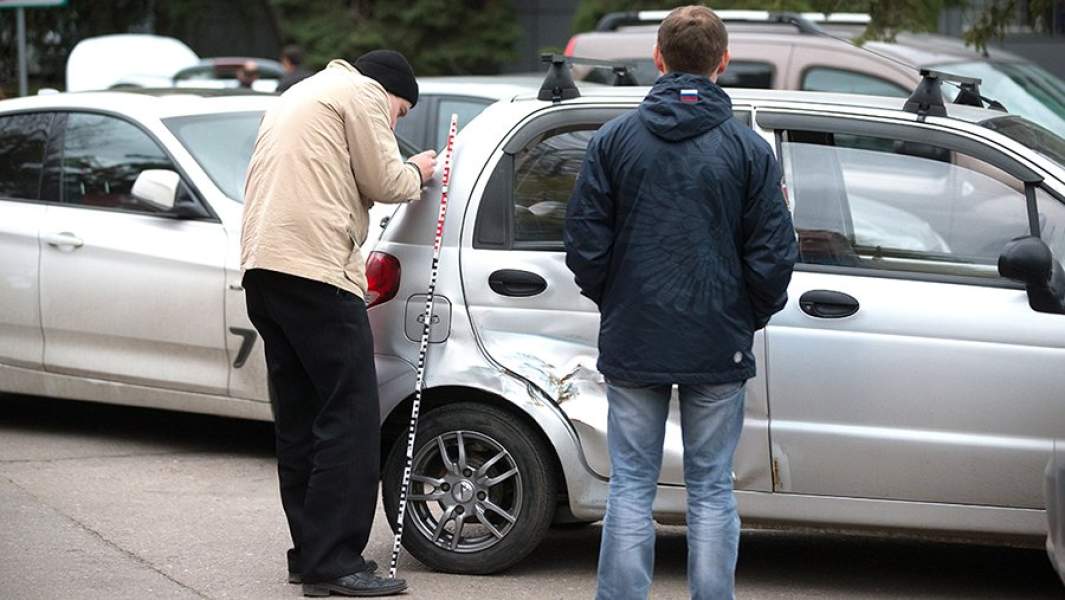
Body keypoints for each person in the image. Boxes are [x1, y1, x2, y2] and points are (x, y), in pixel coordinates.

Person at [564, 6, 798, 600]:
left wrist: (616, 300)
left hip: (635, 333)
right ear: (723, 63)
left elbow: (584, 243)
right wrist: (746, 315)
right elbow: (773, 255)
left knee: (631, 486)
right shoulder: (749, 149)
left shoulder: (614, 140)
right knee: (712, 488)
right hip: (718, 338)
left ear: (657, 59)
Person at [241, 50, 437, 597]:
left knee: (302, 419)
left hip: (264, 269)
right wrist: (420, 169)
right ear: (394, 92)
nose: (395, 121)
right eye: (401, 112)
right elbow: (385, 180)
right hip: (316, 272)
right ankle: (336, 564)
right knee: (350, 418)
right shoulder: (365, 94)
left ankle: (309, 554)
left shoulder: (299, 93)